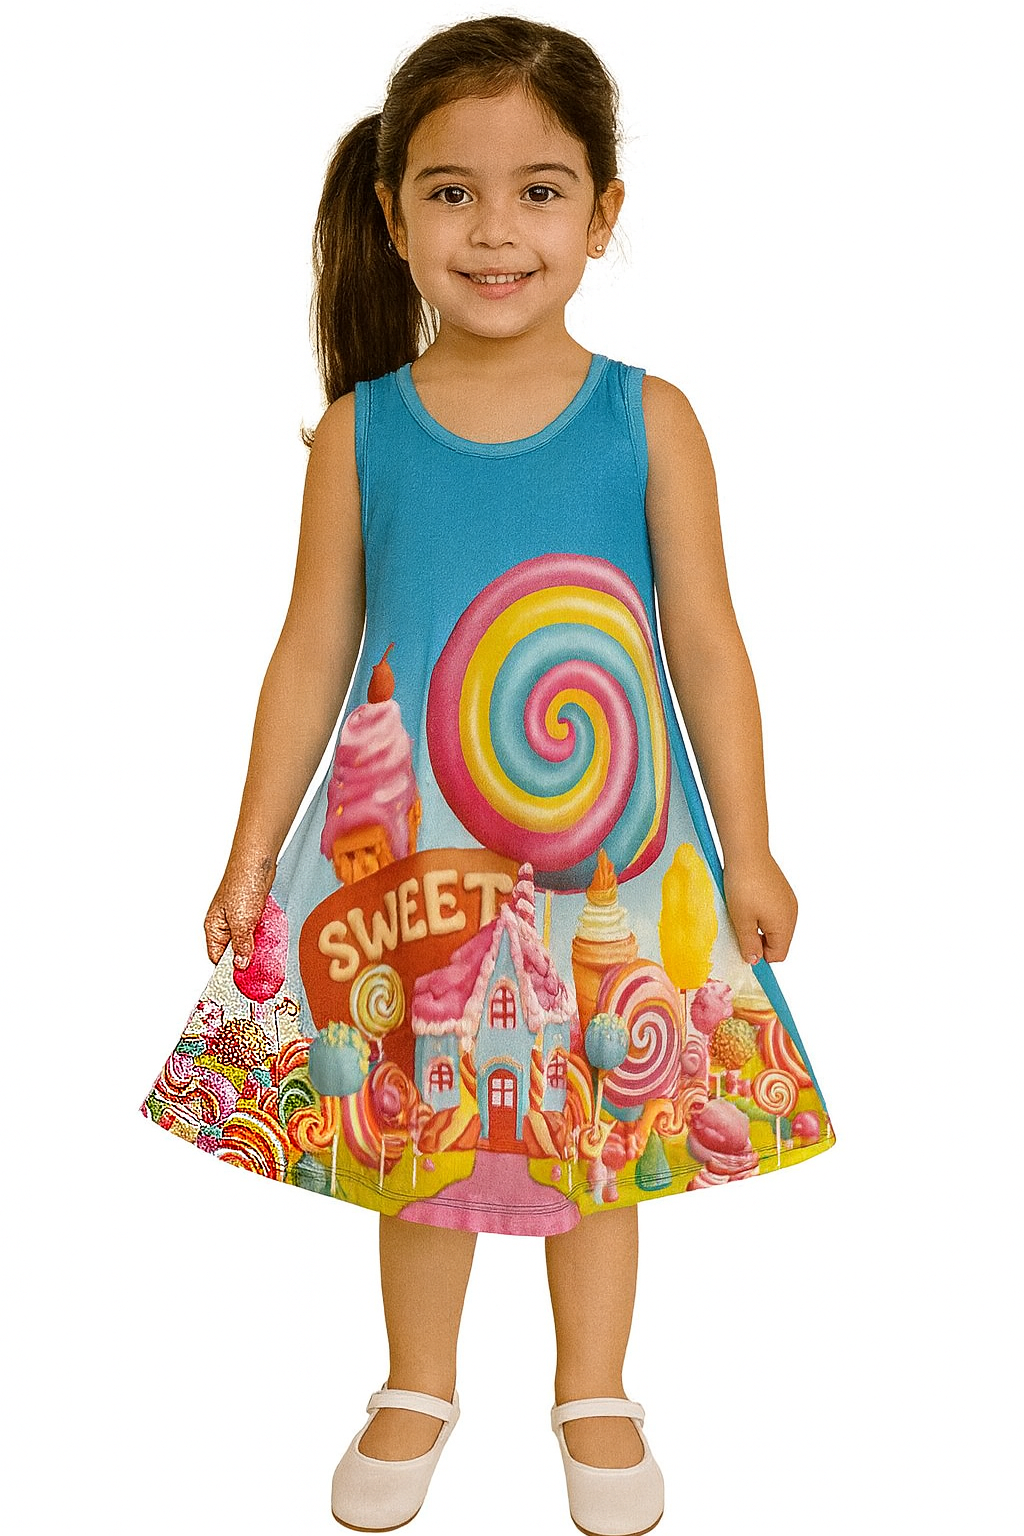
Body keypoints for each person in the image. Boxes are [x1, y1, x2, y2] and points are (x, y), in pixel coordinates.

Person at [140, 15, 836, 1535]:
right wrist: (251, 853)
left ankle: (596, 1390)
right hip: (410, 861)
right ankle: (416, 1381)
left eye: (540, 190)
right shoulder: (361, 433)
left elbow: (709, 645)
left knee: (599, 1130)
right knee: (416, 1128)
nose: (496, 228)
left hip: (611, 861)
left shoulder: (650, 419)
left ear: (603, 212)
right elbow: (310, 651)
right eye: (451, 192)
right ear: (393, 213)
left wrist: (754, 845)